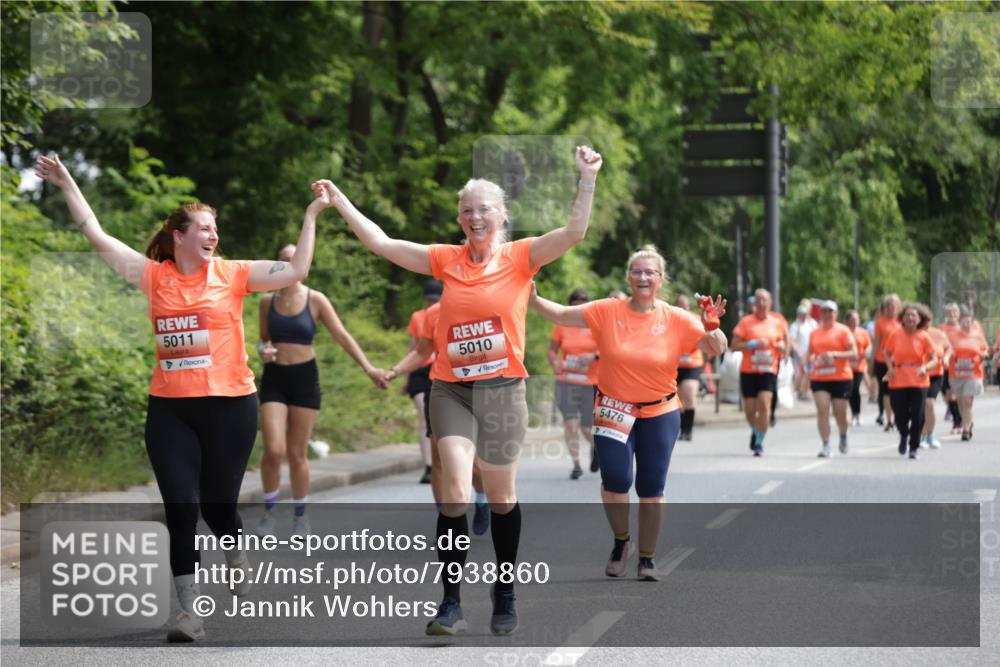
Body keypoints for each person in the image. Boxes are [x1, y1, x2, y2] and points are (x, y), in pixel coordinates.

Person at [35, 153, 328, 642]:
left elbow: (297, 267)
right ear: (180, 235)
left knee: (216, 509)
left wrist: (312, 214)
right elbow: (95, 232)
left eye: (216, 229)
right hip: (171, 409)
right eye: (204, 229)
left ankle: (233, 546)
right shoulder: (154, 276)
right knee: (179, 508)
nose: (214, 236)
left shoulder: (234, 274)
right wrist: (67, 182)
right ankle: (188, 612)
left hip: (231, 407)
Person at [327, 145, 603, 636]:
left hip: (501, 390)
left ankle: (505, 587)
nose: (476, 217)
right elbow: (382, 243)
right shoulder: (446, 260)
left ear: (501, 215)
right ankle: (451, 602)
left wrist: (586, 179)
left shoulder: (522, 257)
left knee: (500, 496)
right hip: (450, 390)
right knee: (453, 490)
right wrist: (340, 199)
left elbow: (575, 232)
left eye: (484, 209)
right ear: (460, 219)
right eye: (468, 210)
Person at [530, 246, 726, 581]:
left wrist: (711, 325)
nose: (643, 277)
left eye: (650, 272)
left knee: (651, 488)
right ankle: (622, 541)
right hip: (612, 408)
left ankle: (647, 558)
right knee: (617, 481)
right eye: (637, 271)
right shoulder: (607, 310)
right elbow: (563, 315)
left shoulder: (675, 318)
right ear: (628, 277)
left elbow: (716, 347)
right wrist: (532, 299)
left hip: (660, 411)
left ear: (661, 279)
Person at [255, 243, 387, 538]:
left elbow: (342, 335)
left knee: (297, 452)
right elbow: (264, 340)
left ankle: (300, 516)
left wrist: (369, 368)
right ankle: (270, 510)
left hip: (304, 379)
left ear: (304, 263)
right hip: (275, 378)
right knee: (274, 449)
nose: (289, 264)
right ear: (276, 265)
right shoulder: (267, 301)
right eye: (283, 260)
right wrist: (263, 350)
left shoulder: (316, 300)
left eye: (294, 259)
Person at [388, 297, 492, 535]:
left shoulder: (485, 304)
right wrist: (396, 371)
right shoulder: (434, 312)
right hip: (442, 391)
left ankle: (482, 498)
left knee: (474, 463)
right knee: (438, 459)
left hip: (477, 390)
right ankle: (445, 519)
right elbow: (422, 351)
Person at [549, 288, 600, 477]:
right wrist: (554, 362)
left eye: (582, 306)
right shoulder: (561, 325)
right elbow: (552, 351)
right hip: (566, 381)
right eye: (574, 306)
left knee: (587, 427)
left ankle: (596, 448)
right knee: (570, 424)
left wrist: (593, 356)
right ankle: (576, 465)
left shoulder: (597, 325)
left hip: (591, 382)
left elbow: (611, 351)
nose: (578, 310)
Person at [731, 288, 788, 456]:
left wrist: (781, 347)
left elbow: (784, 345)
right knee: (750, 411)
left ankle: (759, 442)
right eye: (759, 300)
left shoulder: (777, 323)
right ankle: (756, 429)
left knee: (764, 403)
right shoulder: (746, 322)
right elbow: (734, 345)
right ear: (754, 304)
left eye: (765, 300)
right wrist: (752, 344)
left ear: (770, 303)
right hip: (749, 370)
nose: (762, 303)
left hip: (768, 369)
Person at [884, 303, 938, 459]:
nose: (910, 317)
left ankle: (914, 447)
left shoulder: (924, 337)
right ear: (902, 319)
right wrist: (891, 368)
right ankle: (904, 434)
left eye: (913, 315)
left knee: (918, 414)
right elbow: (887, 353)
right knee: (899, 412)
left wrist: (925, 368)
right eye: (907, 315)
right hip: (898, 379)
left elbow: (934, 359)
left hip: (919, 380)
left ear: (919, 319)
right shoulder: (895, 335)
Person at [404, 280, 444, 485]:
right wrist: (405, 375)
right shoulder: (418, 317)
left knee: (435, 420)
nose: (431, 303)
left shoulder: (446, 313)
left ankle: (440, 459)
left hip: (440, 369)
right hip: (420, 369)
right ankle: (428, 465)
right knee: (423, 416)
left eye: (434, 300)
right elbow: (414, 348)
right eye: (429, 299)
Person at [807, 301, 858, 457]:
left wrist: (834, 355)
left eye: (831, 312)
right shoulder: (814, 333)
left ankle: (843, 435)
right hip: (820, 378)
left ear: (836, 314)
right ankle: (826, 445)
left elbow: (854, 353)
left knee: (840, 413)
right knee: (823, 410)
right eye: (825, 312)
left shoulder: (843, 331)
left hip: (841, 378)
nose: (828, 315)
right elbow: (810, 354)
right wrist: (809, 364)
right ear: (820, 314)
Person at [948, 306, 989, 441]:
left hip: (973, 373)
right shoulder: (953, 336)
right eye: (964, 322)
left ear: (972, 323)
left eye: (969, 322)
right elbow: (946, 350)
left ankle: (965, 430)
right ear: (960, 323)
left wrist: (984, 355)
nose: (967, 324)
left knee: (968, 400)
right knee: (960, 403)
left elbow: (985, 350)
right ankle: (968, 422)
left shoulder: (978, 336)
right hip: (957, 373)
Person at [674, 294, 705, 441]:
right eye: (679, 306)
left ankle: (689, 430)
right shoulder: (671, 319)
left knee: (689, 393)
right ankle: (681, 430)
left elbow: (706, 338)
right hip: (675, 364)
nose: (682, 309)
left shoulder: (696, 319)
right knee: (679, 399)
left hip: (693, 363)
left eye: (685, 306)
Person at [873, 294, 902, 430]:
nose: (891, 308)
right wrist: (871, 361)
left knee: (898, 391)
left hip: (899, 361)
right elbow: (876, 343)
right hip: (882, 360)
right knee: (885, 391)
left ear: (898, 307)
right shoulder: (880, 322)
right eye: (889, 305)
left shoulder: (902, 322)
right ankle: (889, 420)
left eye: (894, 305)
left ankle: (898, 417)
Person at [921, 323, 951, 449]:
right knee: (920, 405)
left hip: (936, 374)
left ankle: (930, 436)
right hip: (919, 374)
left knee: (930, 404)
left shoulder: (939, 334)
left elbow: (949, 348)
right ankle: (920, 436)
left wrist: (946, 357)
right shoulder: (913, 333)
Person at [938, 302, 963, 432]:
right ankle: (958, 419)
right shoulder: (941, 328)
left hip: (960, 366)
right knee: (947, 395)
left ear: (958, 314)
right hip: (945, 366)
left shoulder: (962, 328)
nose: (952, 315)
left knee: (955, 395)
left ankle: (958, 421)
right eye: (949, 312)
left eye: (955, 312)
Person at [845, 309, 871, 426]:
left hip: (859, 365)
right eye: (852, 319)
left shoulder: (863, 333)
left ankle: (858, 413)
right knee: (850, 390)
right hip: (847, 365)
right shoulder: (845, 332)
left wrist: (865, 353)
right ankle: (853, 413)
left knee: (856, 388)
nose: (854, 321)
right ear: (848, 321)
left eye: (856, 319)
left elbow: (869, 345)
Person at [788, 299, 817, 401]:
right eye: (802, 314)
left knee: (809, 373)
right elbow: (792, 341)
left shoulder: (812, 323)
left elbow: (816, 337)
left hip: (810, 353)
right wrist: (799, 353)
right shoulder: (795, 325)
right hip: (799, 354)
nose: (804, 315)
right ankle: (800, 391)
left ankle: (805, 391)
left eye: (805, 313)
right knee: (802, 373)